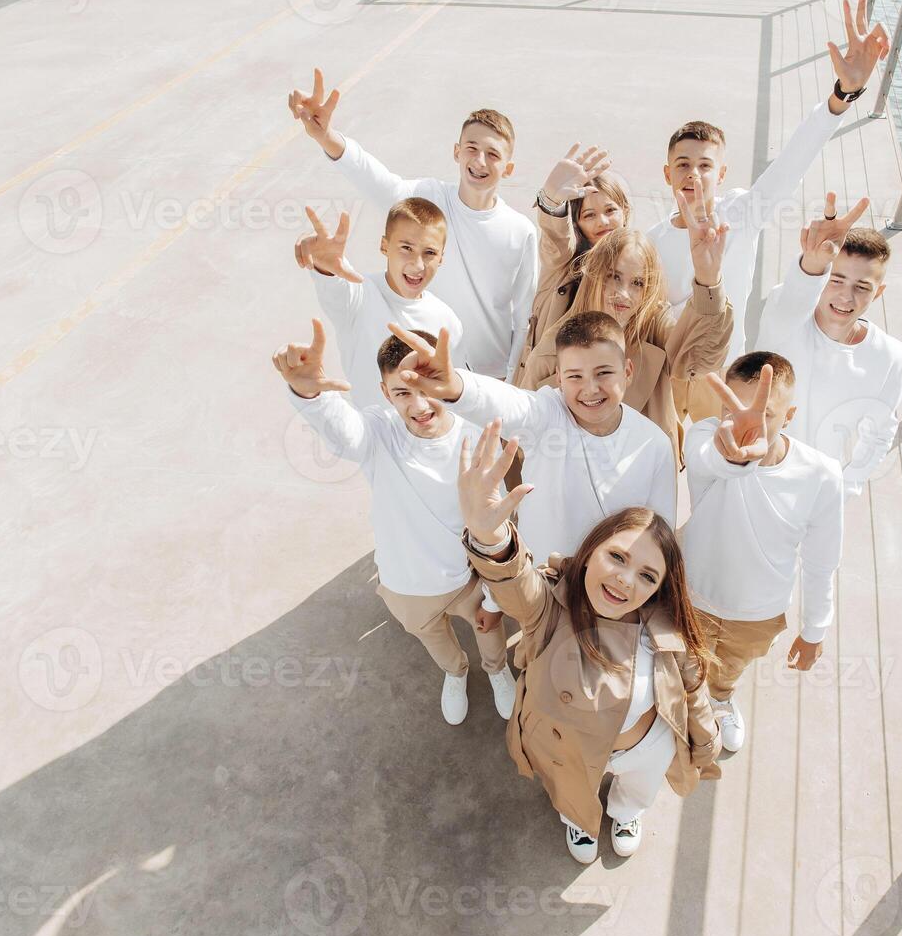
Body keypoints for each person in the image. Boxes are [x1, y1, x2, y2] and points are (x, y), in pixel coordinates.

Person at [457, 421, 720, 862]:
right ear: (590, 551)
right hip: (569, 750)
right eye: (617, 556)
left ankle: (624, 811)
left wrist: (705, 740)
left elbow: (692, 689)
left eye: (647, 576)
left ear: (659, 589)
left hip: (647, 747)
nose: (624, 579)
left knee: (637, 789)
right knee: (570, 794)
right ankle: (579, 821)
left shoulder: (667, 629)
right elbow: (514, 581)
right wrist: (490, 537)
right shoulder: (551, 606)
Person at [647, 0, 891, 418]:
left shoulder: (742, 213)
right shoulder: (651, 241)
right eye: (682, 164)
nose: (693, 174)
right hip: (668, 375)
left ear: (721, 175)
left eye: (705, 165)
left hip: (726, 376)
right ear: (667, 174)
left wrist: (841, 96)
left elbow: (793, 162)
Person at [273, 319, 515, 725]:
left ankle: (496, 669)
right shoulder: (379, 431)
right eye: (403, 392)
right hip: (407, 585)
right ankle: (456, 673)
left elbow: (498, 516)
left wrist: (493, 594)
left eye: (426, 388)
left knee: (490, 630)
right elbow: (346, 434)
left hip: (469, 576)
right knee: (435, 641)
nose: (419, 406)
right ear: (385, 393)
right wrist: (309, 393)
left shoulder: (477, 433)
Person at [289, 70, 537, 379]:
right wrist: (326, 136)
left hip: (491, 376)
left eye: (493, 154)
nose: (480, 161)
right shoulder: (427, 196)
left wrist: (511, 380)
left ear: (508, 168)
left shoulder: (521, 230)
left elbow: (524, 316)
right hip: (426, 368)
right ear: (457, 152)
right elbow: (372, 176)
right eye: (471, 148)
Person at [387, 312, 676, 565]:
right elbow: (511, 404)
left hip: (615, 593)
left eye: (603, 373)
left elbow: (661, 536)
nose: (590, 389)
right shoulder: (547, 413)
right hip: (543, 583)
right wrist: (456, 387)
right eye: (575, 376)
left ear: (627, 371)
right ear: (559, 379)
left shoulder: (655, 444)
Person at [678, 353, 845, 753]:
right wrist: (734, 459)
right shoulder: (705, 438)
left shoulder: (822, 475)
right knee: (682, 665)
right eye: (731, 410)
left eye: (764, 413)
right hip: (689, 595)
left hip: (758, 612)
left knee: (729, 668)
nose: (745, 425)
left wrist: (815, 628)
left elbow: (822, 560)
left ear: (789, 415)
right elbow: (712, 460)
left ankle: (719, 699)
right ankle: (681, 705)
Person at [514, 186, 734, 461]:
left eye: (638, 283)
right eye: (613, 277)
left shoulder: (654, 328)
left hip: (643, 480)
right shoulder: (552, 348)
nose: (624, 293)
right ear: (594, 275)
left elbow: (699, 358)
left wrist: (708, 278)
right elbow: (522, 434)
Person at [755, 195, 902, 497]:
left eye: (862, 287)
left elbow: (880, 431)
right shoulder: (786, 318)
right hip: (755, 473)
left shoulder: (889, 356)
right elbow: (793, 297)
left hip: (815, 489)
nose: (845, 297)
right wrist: (812, 263)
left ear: (879, 293)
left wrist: (847, 486)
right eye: (836, 280)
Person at [293, 201, 465, 412]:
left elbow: (456, 395)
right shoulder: (359, 294)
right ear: (385, 246)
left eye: (429, 252)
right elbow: (335, 288)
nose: (417, 265)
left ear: (441, 258)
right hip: (373, 437)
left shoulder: (448, 320)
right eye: (406, 248)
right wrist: (323, 264)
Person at [513, 143, 630, 385]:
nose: (603, 221)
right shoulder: (564, 261)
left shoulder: (640, 267)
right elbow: (556, 238)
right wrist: (552, 200)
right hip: (549, 384)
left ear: (625, 212)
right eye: (589, 215)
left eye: (611, 210)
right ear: (576, 223)